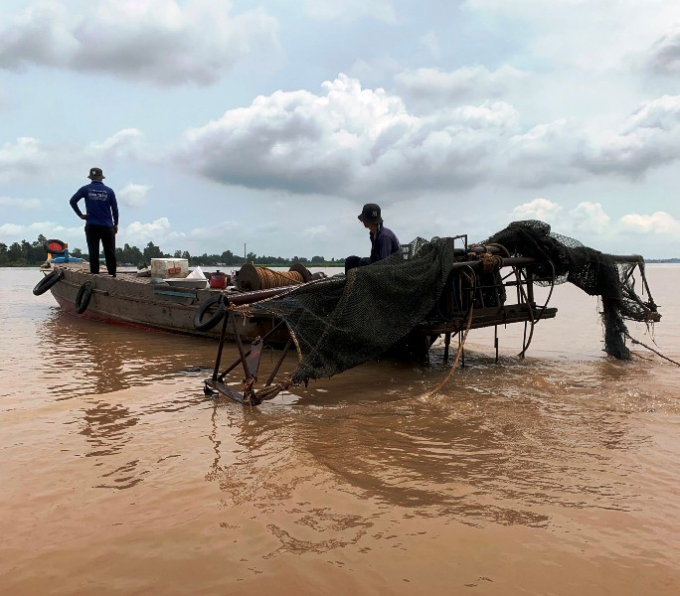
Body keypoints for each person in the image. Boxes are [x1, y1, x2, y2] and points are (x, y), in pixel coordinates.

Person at [70, 167, 119, 276]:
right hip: (107, 225)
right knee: (110, 251)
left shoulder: (85, 189)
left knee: (93, 251)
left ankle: (95, 274)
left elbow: (72, 201)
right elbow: (114, 209)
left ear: (91, 178)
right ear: (101, 178)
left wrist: (81, 215)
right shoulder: (109, 191)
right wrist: (115, 224)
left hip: (92, 225)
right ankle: (112, 273)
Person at [345, 203, 401, 273]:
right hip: (377, 264)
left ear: (369, 220)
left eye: (363, 219)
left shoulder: (384, 236)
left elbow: (385, 263)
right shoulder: (374, 234)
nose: (362, 221)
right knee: (350, 261)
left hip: (390, 271)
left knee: (364, 262)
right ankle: (349, 283)